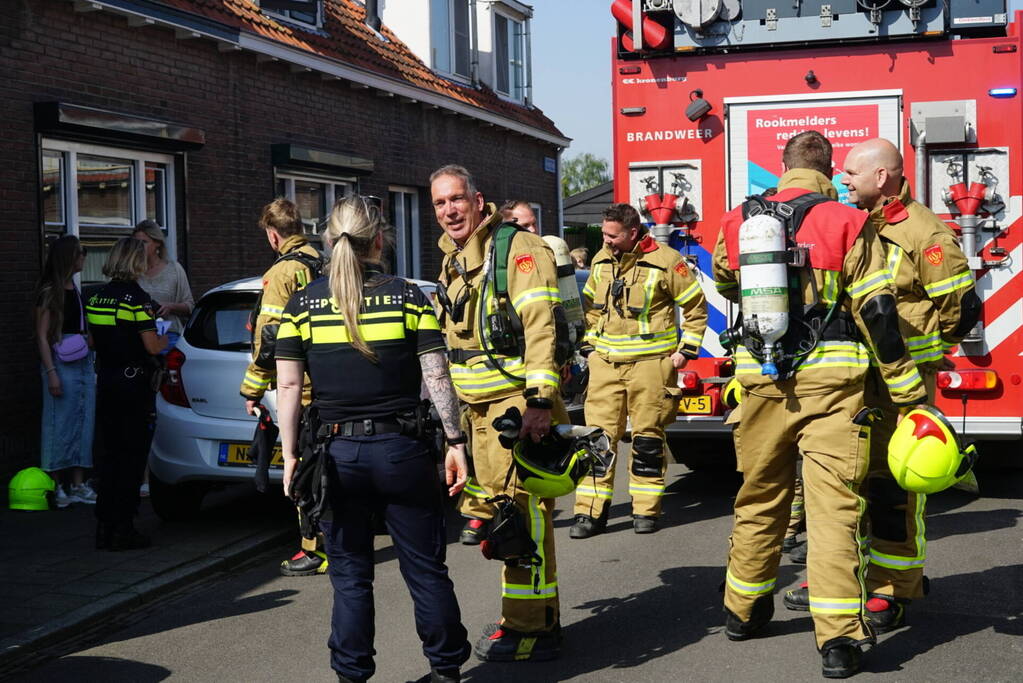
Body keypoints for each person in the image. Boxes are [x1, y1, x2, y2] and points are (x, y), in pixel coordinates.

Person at [712, 130, 929, 678]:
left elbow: (725, 281)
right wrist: (906, 389)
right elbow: (878, 310)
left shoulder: (738, 221)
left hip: (760, 382)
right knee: (833, 511)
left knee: (759, 496)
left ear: (781, 170)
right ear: (831, 171)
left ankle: (742, 610)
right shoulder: (848, 221)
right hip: (833, 389)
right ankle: (837, 639)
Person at [275, 195, 471, 683]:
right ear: (379, 239)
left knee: (350, 578)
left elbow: (288, 386)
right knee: (426, 570)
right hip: (403, 452)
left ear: (327, 241)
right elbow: (438, 378)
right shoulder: (408, 296)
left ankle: (352, 675)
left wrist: (291, 455)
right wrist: (455, 442)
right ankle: (446, 671)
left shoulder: (302, 304)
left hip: (336, 457)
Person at [432, 164, 567, 661]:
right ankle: (538, 617)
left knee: (518, 520)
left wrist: (536, 404)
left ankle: (529, 628)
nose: (449, 211)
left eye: (456, 200)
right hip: (479, 413)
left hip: (513, 408)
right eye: (440, 204)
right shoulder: (453, 258)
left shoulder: (516, 250)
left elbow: (540, 332)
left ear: (477, 198)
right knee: (508, 518)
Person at [570, 203, 707, 537]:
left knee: (647, 440)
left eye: (612, 235)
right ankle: (589, 514)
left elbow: (695, 307)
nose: (606, 241)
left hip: (651, 366)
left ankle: (645, 511)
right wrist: (588, 345)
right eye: (604, 234)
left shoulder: (666, 262)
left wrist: (685, 351)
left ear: (633, 233)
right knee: (597, 441)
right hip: (605, 365)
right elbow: (589, 308)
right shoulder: (601, 260)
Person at [239, 198, 325, 577]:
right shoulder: (324, 261)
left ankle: (314, 549)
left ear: (274, 236)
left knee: (305, 468)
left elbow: (270, 337)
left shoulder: (284, 272)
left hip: (302, 386)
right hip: (334, 380)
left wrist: (252, 388)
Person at [86, 237, 168, 550]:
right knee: (132, 457)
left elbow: (92, 342)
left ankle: (104, 526)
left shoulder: (96, 297)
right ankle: (124, 527)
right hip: (133, 386)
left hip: (106, 382)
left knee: (109, 455)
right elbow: (151, 345)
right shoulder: (137, 299)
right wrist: (164, 337)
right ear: (135, 262)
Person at [34, 235, 96, 508]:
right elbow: (41, 335)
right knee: (58, 423)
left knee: (84, 421)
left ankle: (79, 484)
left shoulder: (75, 288)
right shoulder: (50, 291)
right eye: (81, 252)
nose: (85, 257)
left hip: (83, 360)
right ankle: (57, 485)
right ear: (70, 256)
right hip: (61, 362)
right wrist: (51, 372)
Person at [133, 220, 194, 351]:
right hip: (137, 336)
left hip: (168, 335)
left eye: (144, 242)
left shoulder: (174, 269)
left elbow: (190, 306)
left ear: (157, 244)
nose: (139, 247)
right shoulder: (131, 271)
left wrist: (170, 306)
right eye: (136, 243)